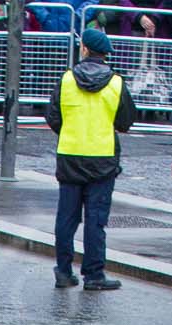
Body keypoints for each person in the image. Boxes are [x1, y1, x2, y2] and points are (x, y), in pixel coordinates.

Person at [45, 28, 137, 292]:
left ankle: (63, 271)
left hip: (70, 155)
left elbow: (52, 116)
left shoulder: (65, 79)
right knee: (96, 220)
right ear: (105, 54)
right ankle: (94, 275)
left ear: (84, 49)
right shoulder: (116, 83)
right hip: (102, 158)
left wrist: (72, 131)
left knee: (66, 218)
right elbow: (126, 121)